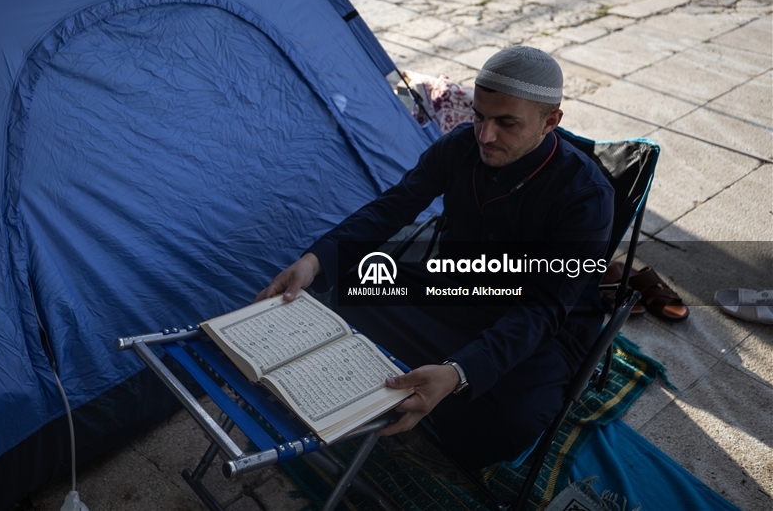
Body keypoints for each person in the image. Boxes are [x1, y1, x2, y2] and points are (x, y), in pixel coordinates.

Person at [256, 46, 614, 469]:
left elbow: (544, 309)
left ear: (550, 121)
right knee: (339, 293)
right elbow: (394, 206)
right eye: (479, 115)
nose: (485, 135)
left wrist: (460, 371)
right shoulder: (462, 145)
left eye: (506, 123)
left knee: (506, 425)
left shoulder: (586, 196)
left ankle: (434, 385)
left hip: (540, 325)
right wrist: (315, 260)